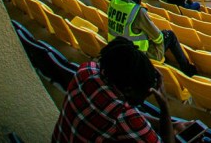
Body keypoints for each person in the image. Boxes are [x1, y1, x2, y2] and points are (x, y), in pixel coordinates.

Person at [52, 37, 193, 143]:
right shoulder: (124, 117)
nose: (144, 98)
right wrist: (165, 109)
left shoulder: (86, 70)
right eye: (144, 93)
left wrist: (171, 125)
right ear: (128, 90)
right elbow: (127, 117)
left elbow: (125, 115)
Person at [108, 0, 196, 76]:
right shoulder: (138, 11)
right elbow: (158, 37)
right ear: (139, 0)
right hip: (137, 55)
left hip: (116, 47)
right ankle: (187, 68)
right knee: (169, 35)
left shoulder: (114, 2)